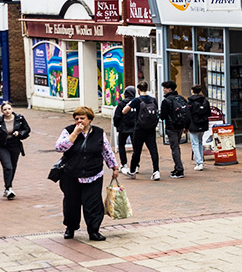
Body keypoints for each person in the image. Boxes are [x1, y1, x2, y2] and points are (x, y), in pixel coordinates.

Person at [54, 105, 118, 240]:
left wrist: (114, 167)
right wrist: (74, 134)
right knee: (71, 204)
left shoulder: (99, 132)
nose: (79, 121)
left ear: (89, 119)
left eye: (82, 118)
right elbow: (59, 147)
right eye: (76, 118)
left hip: (93, 174)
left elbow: (106, 150)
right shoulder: (68, 131)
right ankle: (70, 227)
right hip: (71, 175)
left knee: (93, 204)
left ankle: (94, 230)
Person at [0, 101, 32, 199]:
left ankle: (8, 187)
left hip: (15, 145)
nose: (7, 111)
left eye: (9, 109)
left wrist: (19, 133)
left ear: (12, 109)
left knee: (13, 167)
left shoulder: (19, 118)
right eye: (5, 109)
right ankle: (8, 188)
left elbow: (27, 129)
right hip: (1, 146)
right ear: (2, 111)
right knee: (8, 166)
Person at [125, 81, 163, 180]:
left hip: (139, 128)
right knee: (153, 150)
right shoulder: (153, 100)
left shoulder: (137, 100)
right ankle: (156, 171)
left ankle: (132, 170)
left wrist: (129, 104)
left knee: (137, 150)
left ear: (138, 90)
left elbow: (124, 111)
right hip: (151, 128)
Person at [158, 82, 187, 178]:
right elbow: (187, 113)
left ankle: (179, 169)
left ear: (169, 89)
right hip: (180, 126)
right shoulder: (181, 98)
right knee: (176, 147)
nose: (163, 90)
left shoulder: (166, 101)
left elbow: (163, 116)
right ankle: (177, 167)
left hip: (171, 127)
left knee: (174, 148)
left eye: (165, 88)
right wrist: (186, 126)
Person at [112, 86, 139, 171]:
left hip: (123, 128)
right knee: (136, 147)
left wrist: (117, 126)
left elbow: (117, 116)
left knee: (121, 145)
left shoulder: (121, 104)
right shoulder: (137, 103)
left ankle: (124, 164)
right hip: (135, 128)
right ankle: (136, 165)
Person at [186, 84, 212, 169]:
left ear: (192, 91)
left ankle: (199, 163)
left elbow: (187, 114)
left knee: (195, 143)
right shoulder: (205, 101)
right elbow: (208, 113)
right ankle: (201, 160)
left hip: (193, 124)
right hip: (203, 124)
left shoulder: (190, 101)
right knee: (200, 142)